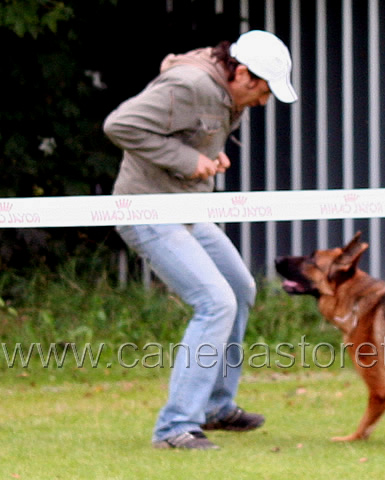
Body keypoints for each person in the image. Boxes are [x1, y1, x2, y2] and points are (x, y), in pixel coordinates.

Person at [103, 30, 298, 450]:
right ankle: (175, 427)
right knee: (215, 301)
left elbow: (187, 133)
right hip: (148, 208)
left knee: (240, 288)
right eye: (263, 92)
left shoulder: (223, 91)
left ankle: (215, 407)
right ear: (243, 73)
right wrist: (189, 160)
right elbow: (120, 125)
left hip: (185, 207)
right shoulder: (190, 84)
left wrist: (210, 156)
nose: (263, 102)